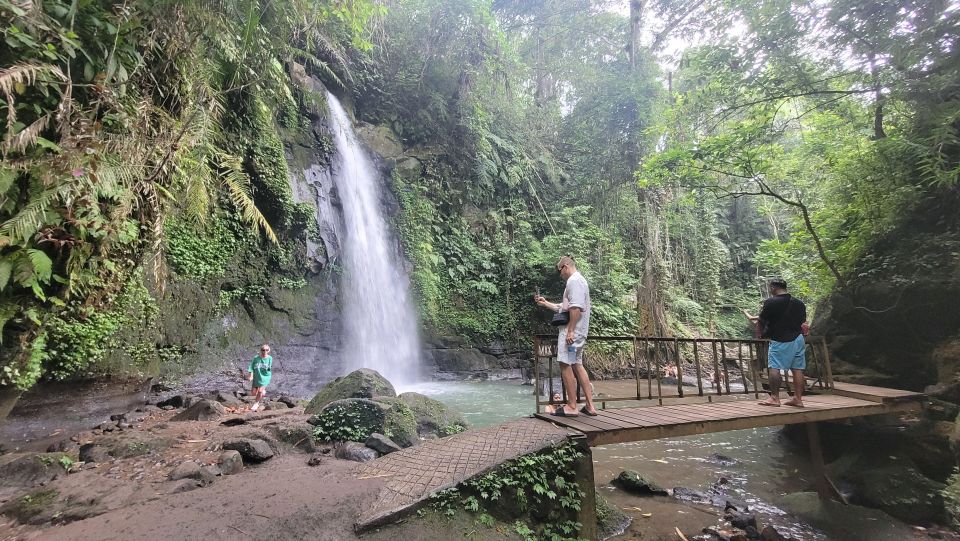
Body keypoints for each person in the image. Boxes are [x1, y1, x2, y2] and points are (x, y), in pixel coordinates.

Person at [534, 256, 598, 417]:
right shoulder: (580, 281)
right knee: (576, 363)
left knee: (565, 364)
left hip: (572, 334)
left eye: (559, 270)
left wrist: (570, 331)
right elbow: (564, 308)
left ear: (565, 266)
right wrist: (545, 303)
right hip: (578, 332)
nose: (559, 274)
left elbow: (576, 308)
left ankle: (571, 406)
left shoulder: (574, 281)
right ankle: (590, 406)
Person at [756, 279, 807, 407]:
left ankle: (774, 398)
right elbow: (803, 322)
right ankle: (798, 399)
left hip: (781, 339)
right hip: (798, 338)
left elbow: (762, 320)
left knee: (774, 367)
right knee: (797, 369)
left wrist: (760, 335)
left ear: (773, 287)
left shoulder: (771, 302)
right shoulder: (799, 303)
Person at [247, 344, 273, 412]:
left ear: (269, 350)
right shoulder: (256, 358)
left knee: (260, 391)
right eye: (263, 350)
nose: (265, 351)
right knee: (253, 393)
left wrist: (267, 369)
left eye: (266, 350)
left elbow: (269, 368)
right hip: (257, 377)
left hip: (265, 377)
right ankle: (261, 391)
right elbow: (251, 367)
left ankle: (256, 404)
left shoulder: (270, 358)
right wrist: (250, 375)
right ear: (260, 350)